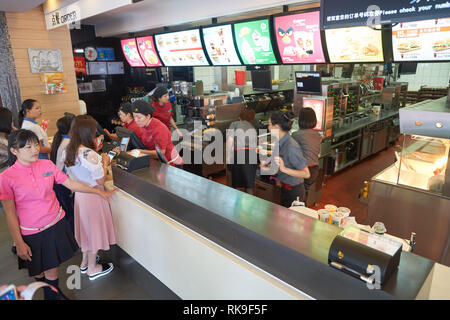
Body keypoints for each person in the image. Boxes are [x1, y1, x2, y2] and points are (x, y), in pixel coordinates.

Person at [0, 129, 116, 299]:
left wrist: (97, 192)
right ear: (14, 151)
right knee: (38, 272)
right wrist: (18, 242)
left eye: (36, 145)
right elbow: (10, 214)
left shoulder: (46, 165)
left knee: (53, 268)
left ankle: (54, 293)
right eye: (28, 147)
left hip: (55, 225)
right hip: (31, 233)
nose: (35, 150)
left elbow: (70, 183)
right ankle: (51, 292)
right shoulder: (7, 177)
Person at [64, 115, 116, 281]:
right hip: (94, 195)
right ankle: (93, 269)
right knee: (93, 230)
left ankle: (85, 262)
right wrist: (105, 162)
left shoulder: (69, 150)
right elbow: (100, 180)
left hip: (80, 195)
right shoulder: (89, 154)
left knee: (86, 230)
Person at [260, 111, 310, 208]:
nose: (268, 128)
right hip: (285, 189)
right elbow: (283, 163)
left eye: (270, 125)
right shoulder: (280, 142)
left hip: (294, 193)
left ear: (277, 127)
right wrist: (268, 166)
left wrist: (284, 169)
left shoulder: (291, 147)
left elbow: (306, 173)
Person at [132, 100, 184, 167]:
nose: (136, 120)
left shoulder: (159, 129)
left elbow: (161, 153)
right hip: (158, 162)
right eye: (134, 117)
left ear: (148, 116)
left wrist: (140, 151)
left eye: (139, 117)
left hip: (171, 164)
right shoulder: (143, 125)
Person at [50, 115, 75, 233]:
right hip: (63, 183)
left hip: (58, 183)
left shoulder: (61, 139)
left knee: (67, 211)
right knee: (70, 213)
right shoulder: (68, 143)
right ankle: (73, 241)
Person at [292, 107, 322, 198]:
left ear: (300, 120)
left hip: (303, 170)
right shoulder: (318, 135)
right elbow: (319, 154)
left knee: (298, 196)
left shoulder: (296, 135)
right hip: (314, 171)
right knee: (304, 193)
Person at [226, 109, 258, 195]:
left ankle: (237, 206)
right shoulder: (252, 127)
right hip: (252, 155)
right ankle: (250, 206)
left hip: (240, 153)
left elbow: (230, 140)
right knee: (249, 186)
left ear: (240, 117)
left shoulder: (235, 124)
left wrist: (228, 157)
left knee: (237, 185)